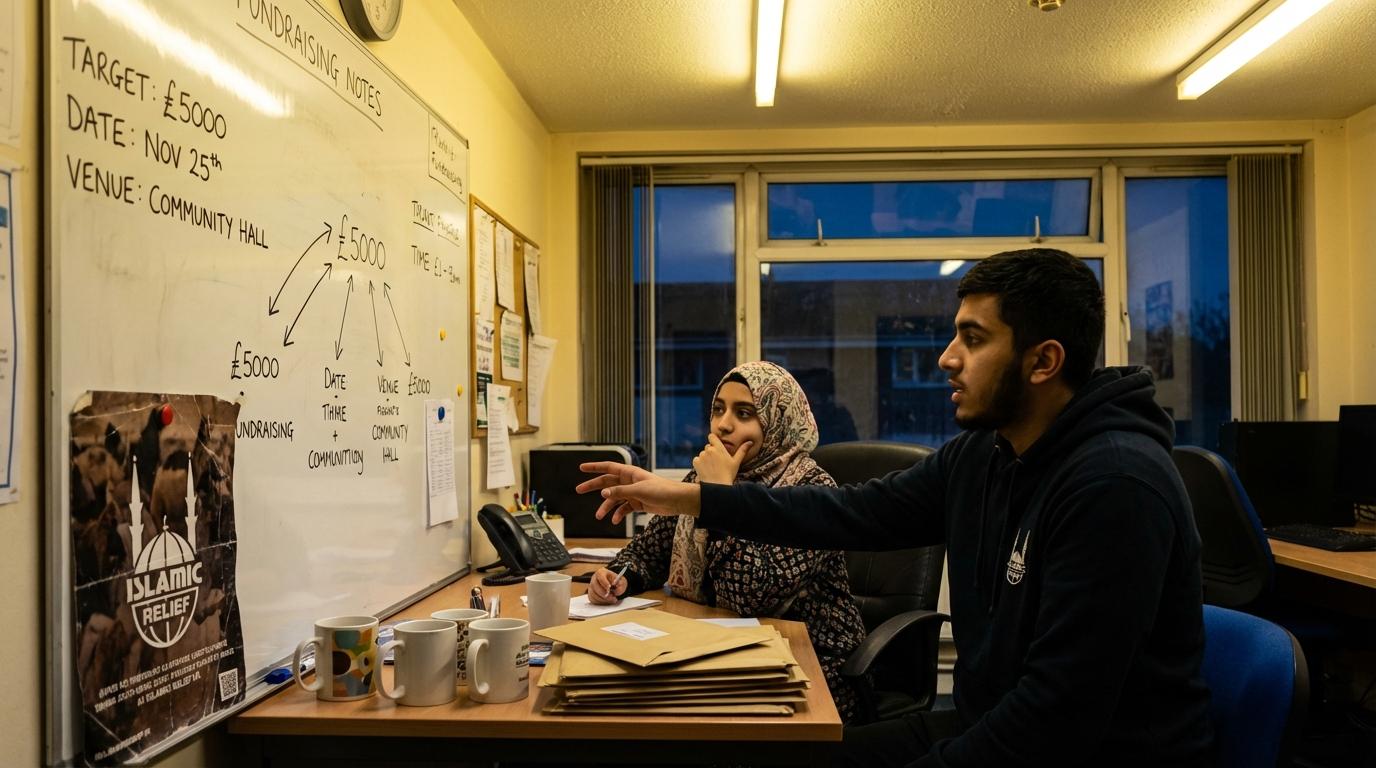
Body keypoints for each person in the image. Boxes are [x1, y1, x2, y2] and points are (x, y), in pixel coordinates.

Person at [577, 249, 1213, 767]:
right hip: (983, 723)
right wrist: (687, 494)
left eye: (973, 338)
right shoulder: (985, 455)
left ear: (1044, 360)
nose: (946, 358)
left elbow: (1056, 719)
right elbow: (851, 513)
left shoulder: (1116, 486)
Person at [585, 361, 867, 721]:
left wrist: (720, 496)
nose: (723, 424)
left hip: (810, 666)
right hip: (723, 650)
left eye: (744, 413)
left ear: (777, 419)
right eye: (718, 409)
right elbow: (648, 551)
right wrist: (620, 576)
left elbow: (752, 597)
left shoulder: (811, 489)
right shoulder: (702, 478)